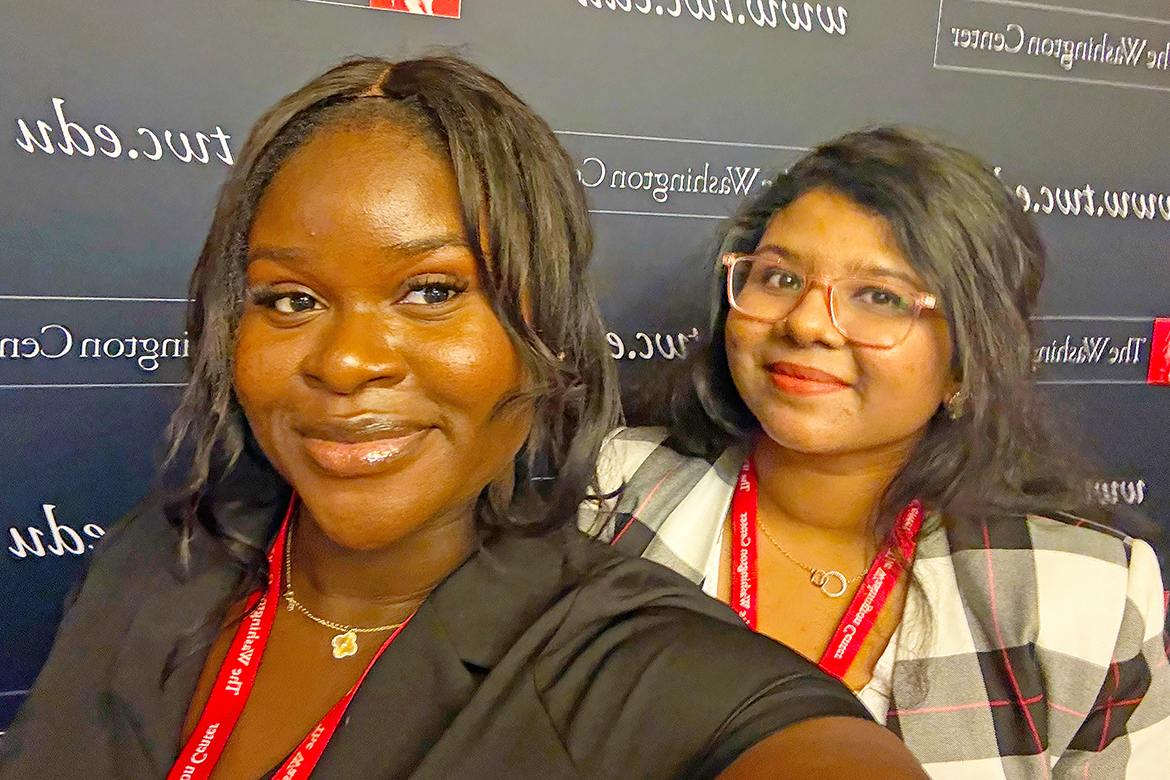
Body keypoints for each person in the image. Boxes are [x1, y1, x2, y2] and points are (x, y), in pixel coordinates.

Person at [0, 58, 928, 780]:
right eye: (288, 301)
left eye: (433, 290)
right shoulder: (154, 558)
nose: (346, 360)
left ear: (544, 336)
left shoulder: (626, 660)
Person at [582, 127, 1170, 779]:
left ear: (967, 364)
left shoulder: (1088, 597)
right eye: (778, 276)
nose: (805, 322)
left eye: (880, 297)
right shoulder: (606, 498)